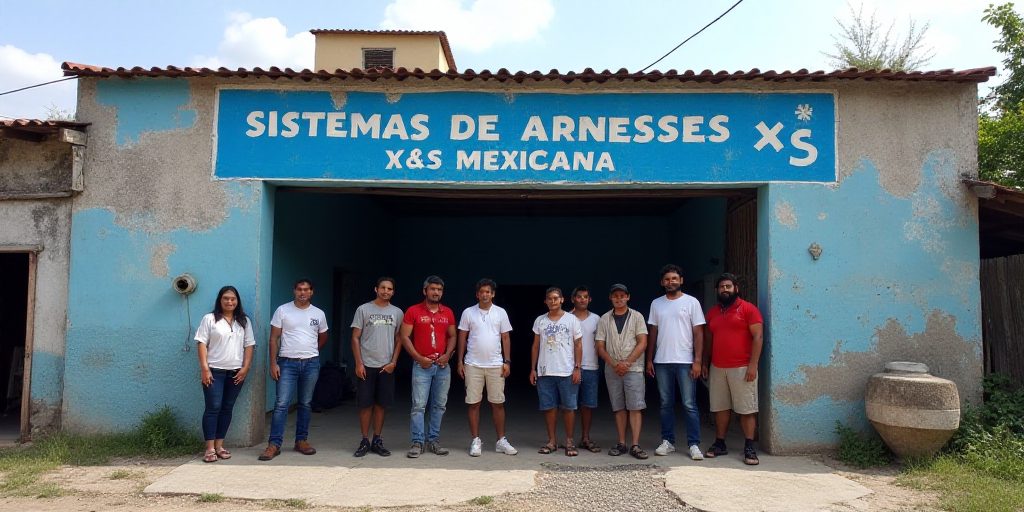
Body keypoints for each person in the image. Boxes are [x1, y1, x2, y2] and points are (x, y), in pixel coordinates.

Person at [259, 279, 329, 461]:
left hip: (311, 363)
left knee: (305, 403)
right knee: (281, 404)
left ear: (312, 292)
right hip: (287, 363)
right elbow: (273, 338)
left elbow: (323, 336)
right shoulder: (283, 310)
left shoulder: (318, 314)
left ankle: (301, 441)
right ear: (294, 291)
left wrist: (311, 352)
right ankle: (274, 444)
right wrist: (273, 363)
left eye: (306, 289)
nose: (302, 293)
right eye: (299, 289)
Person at [702, 273, 764, 465]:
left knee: (746, 409)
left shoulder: (748, 310)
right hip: (718, 368)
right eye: (722, 287)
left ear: (736, 289)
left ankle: (749, 447)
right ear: (717, 290)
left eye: (729, 286)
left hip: (743, 368)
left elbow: (758, 337)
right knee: (720, 407)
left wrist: (753, 365)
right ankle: (720, 443)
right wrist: (705, 362)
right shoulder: (712, 313)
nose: (725, 290)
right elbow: (708, 341)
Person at [647, 264, 706, 460]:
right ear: (662, 282)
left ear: (681, 280)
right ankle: (668, 442)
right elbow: (652, 333)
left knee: (689, 404)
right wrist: (649, 359)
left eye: (674, 278)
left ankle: (694, 444)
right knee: (665, 404)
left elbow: (699, 333)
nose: (670, 282)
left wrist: (697, 361)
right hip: (662, 361)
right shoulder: (656, 303)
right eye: (667, 279)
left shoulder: (692, 303)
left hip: (685, 361)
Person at [457, 278, 517, 457]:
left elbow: (505, 338)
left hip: (495, 364)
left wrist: (507, 362)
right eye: (481, 292)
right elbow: (462, 337)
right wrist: (460, 361)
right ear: (477, 294)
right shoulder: (468, 312)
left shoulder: (500, 313)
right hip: (473, 364)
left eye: (488, 292)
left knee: (498, 403)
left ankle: (501, 440)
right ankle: (476, 440)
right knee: (473, 403)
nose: (485, 294)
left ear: (493, 294)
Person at [195, 286, 255, 463]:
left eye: (233, 299)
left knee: (227, 408)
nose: (230, 302)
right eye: (226, 298)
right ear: (220, 300)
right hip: (214, 372)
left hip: (236, 373)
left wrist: (246, 368)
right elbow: (201, 343)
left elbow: (249, 345)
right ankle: (209, 449)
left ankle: (219, 446)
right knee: (213, 408)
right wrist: (205, 369)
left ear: (237, 301)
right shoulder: (210, 319)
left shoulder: (243, 321)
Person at [399, 275, 457, 458]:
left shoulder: (447, 312)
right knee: (419, 405)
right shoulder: (413, 311)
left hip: (442, 366)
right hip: (421, 365)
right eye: (433, 289)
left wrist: (447, 355)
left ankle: (433, 441)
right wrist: (419, 357)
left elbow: (453, 336)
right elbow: (404, 337)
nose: (436, 292)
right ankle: (417, 442)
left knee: (439, 405)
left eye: (439, 290)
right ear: (425, 291)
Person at [351, 277, 404, 457]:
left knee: (381, 405)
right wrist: (359, 362)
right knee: (365, 405)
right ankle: (364, 440)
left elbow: (400, 340)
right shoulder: (363, 309)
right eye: (383, 288)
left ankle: (377, 439)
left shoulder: (397, 312)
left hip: (386, 366)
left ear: (393, 292)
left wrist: (393, 363)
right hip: (366, 365)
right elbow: (355, 337)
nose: (386, 291)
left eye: (390, 289)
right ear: (376, 289)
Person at [595, 284, 649, 459]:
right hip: (613, 369)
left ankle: (635, 444)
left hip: (633, 368)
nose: (619, 299)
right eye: (615, 296)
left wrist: (627, 363)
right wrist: (614, 364)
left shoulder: (637, 317)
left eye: (622, 295)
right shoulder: (604, 319)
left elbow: (642, 342)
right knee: (618, 406)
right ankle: (621, 443)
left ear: (628, 297)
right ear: (611, 298)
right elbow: (600, 346)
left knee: (635, 406)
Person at [530, 287, 583, 456]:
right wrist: (533, 369)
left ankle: (569, 441)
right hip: (545, 371)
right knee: (549, 407)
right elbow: (535, 346)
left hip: (566, 370)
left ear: (562, 300)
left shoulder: (572, 320)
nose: (552, 301)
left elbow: (578, 345)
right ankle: (552, 441)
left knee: (569, 407)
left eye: (555, 298)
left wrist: (577, 368)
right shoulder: (540, 320)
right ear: (545, 301)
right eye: (549, 299)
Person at [570, 286, 602, 453]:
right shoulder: (566, 318)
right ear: (572, 299)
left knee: (587, 405)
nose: (582, 299)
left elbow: (602, 343)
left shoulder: (597, 319)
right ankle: (569, 440)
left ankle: (585, 438)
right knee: (570, 405)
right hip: (569, 368)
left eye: (586, 297)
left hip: (591, 366)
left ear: (590, 300)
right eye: (579, 296)